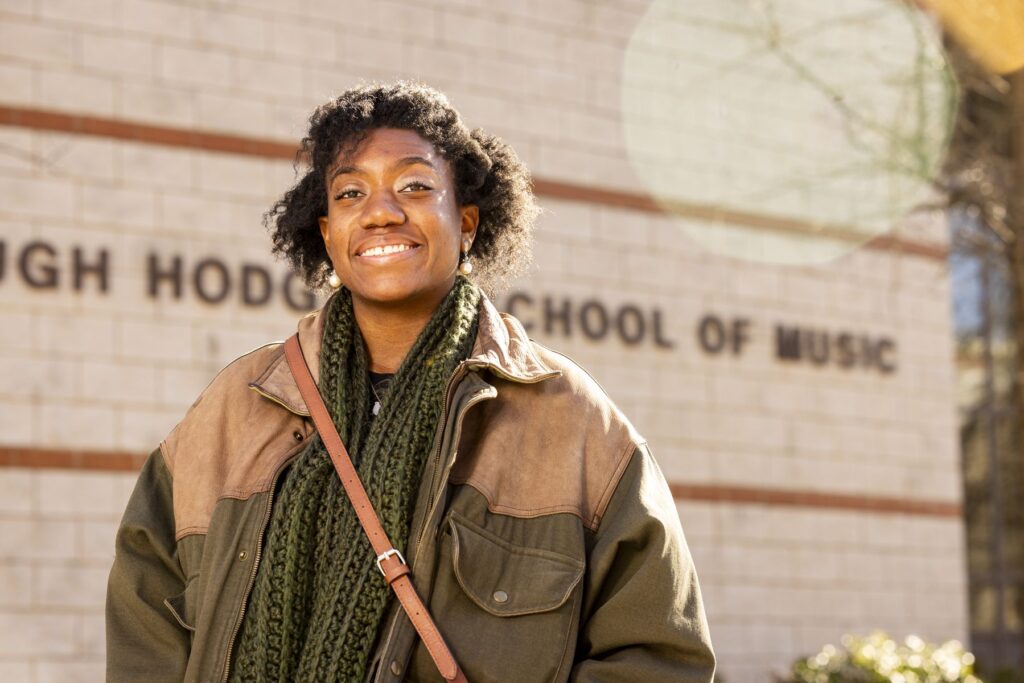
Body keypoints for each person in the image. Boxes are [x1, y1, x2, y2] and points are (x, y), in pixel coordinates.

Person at [105, 81, 716, 683]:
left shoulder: (574, 422)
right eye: (350, 194)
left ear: (468, 222)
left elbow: (657, 657)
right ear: (326, 233)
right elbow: (147, 624)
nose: (381, 211)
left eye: (415, 185)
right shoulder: (235, 406)